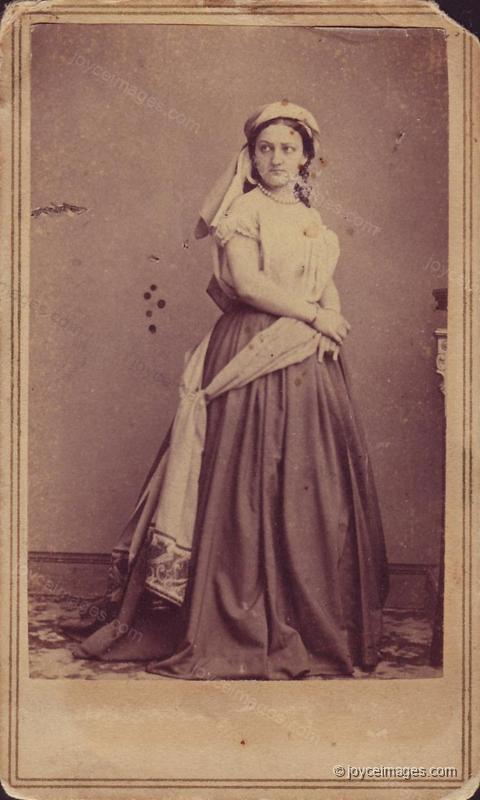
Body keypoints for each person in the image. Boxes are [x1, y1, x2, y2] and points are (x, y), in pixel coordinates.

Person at [59, 101, 389, 680]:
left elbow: (323, 280)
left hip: (308, 357)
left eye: (288, 148)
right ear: (251, 156)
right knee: (245, 480)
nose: (277, 158)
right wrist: (315, 317)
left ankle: (305, 618)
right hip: (251, 346)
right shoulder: (242, 210)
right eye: (266, 148)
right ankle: (230, 617)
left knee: (308, 481)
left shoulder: (311, 215)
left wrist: (331, 318)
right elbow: (247, 283)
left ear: (306, 157)